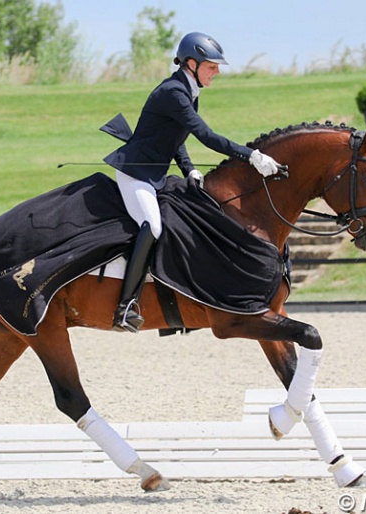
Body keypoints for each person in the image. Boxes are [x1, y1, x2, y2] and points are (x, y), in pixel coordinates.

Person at [104, 31, 285, 333]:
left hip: (157, 177)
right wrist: (251, 156)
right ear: (191, 63)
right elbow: (206, 136)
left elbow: (176, 138)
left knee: (191, 221)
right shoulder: (173, 92)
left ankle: (181, 302)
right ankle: (125, 307)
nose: (216, 73)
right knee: (153, 225)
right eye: (211, 66)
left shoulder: (187, 92)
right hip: (135, 174)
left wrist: (188, 169)